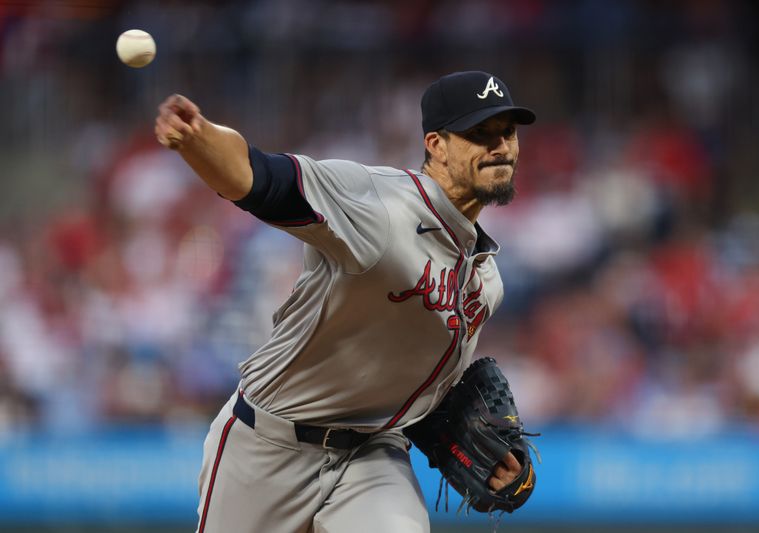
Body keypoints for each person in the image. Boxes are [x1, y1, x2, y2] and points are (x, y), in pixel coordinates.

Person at [154, 70, 536, 533]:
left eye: (507, 133)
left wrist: (481, 452)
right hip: (269, 443)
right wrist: (199, 139)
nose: (500, 146)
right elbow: (262, 179)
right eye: (480, 133)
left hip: (372, 453)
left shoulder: (486, 281)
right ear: (436, 145)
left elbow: (419, 391)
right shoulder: (377, 203)